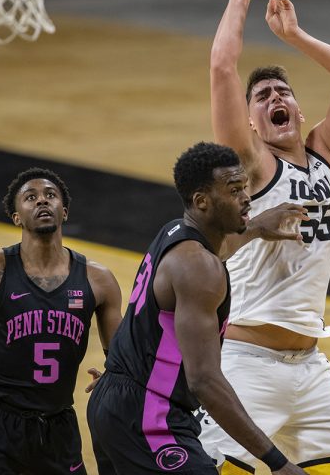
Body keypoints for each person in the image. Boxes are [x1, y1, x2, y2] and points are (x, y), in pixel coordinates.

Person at [199, 0, 330, 473]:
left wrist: (295, 36)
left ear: (299, 110)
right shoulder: (252, 163)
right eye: (263, 97)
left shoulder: (325, 155)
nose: (276, 98)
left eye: (284, 92)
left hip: (310, 366)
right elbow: (221, 70)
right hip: (248, 363)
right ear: (251, 122)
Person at [87, 141, 310, 475]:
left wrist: (257, 227)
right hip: (149, 413)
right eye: (234, 190)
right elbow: (204, 380)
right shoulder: (198, 269)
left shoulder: (175, 233)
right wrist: (277, 462)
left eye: (244, 187)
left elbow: (216, 249)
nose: (246, 198)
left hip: (115, 399)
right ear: (202, 201)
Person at [0, 167, 124, 474]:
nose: (42, 201)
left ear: (64, 211)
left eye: (50, 196)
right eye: (30, 198)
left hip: (57, 424)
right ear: (17, 216)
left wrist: (113, 378)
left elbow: (122, 355)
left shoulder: (98, 280)